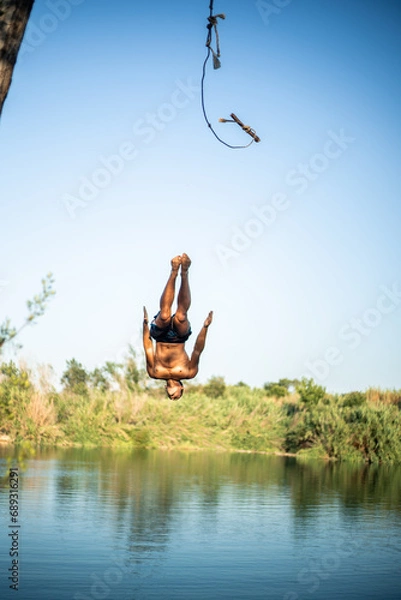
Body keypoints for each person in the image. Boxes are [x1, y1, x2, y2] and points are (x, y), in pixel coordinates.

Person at [143, 253, 213, 400]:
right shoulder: (189, 373)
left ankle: (173, 271)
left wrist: (145, 325)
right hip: (179, 338)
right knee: (181, 316)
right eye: (176, 396)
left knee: (164, 316)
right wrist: (205, 327)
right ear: (181, 387)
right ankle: (184, 272)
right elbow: (197, 350)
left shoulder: (155, 373)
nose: (173, 398)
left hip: (159, 337)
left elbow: (148, 348)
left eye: (171, 397)